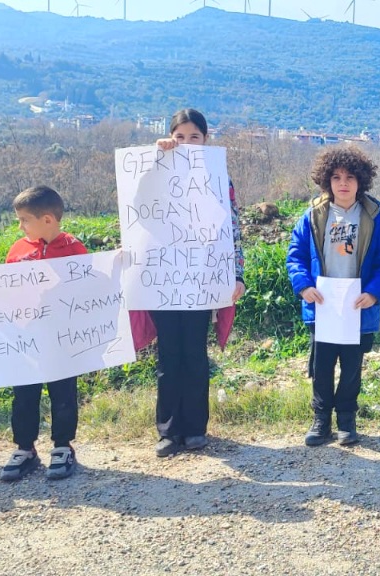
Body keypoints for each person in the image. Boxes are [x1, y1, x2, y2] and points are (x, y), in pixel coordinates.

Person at [286, 145, 380, 446]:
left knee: (351, 369)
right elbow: (295, 256)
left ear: (361, 180)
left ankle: (347, 419)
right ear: (327, 181)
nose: (343, 183)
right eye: (336, 177)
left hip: (358, 310)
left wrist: (374, 293)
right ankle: (321, 420)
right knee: (321, 367)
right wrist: (303, 286)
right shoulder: (312, 218)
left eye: (350, 177)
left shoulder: (375, 219)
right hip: (321, 308)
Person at [148, 108, 245, 457]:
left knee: (194, 354)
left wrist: (237, 274)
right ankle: (168, 431)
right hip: (162, 280)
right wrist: (156, 157)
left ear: (206, 140)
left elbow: (232, 230)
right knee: (168, 356)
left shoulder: (219, 177)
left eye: (194, 137)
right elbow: (138, 211)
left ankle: (195, 429)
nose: (187, 143)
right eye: (179, 136)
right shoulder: (154, 168)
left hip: (201, 280)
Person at [0, 186, 87, 481]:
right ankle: (25, 448)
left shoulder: (75, 249)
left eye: (24, 220)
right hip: (26, 338)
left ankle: (62, 446)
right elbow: (2, 287)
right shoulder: (17, 250)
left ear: (47, 219)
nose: (20, 226)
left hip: (61, 338)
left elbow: (87, 291)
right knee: (23, 394)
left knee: (63, 393)